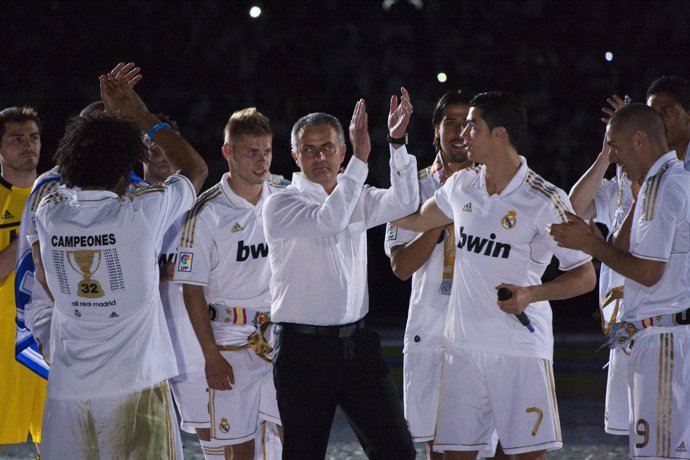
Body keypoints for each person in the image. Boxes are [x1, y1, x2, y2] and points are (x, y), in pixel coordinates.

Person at [394, 91, 596, 459]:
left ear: (499, 134)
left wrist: (530, 295)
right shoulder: (460, 186)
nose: (463, 134)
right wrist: (350, 205)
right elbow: (413, 218)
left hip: (518, 353)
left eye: (472, 125)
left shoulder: (545, 200)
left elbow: (585, 276)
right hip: (462, 352)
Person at [28, 62, 208, 459]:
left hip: (68, 388)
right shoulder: (141, 212)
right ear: (130, 159)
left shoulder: (49, 210)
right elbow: (195, 168)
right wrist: (140, 116)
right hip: (136, 386)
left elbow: (42, 273)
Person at [263, 89, 419, 459]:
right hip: (303, 352)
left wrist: (396, 143)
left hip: (357, 346)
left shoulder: (357, 197)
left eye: (328, 147)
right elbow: (329, 220)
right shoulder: (280, 203)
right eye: (310, 150)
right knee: (304, 453)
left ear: (342, 150)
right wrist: (361, 162)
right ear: (295, 157)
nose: (320, 157)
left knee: (398, 451)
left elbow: (406, 201)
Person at [550, 103, 690, 460]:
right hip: (659, 337)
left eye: (617, 147)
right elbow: (618, 246)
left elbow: (647, 272)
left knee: (655, 455)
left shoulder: (663, 189)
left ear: (640, 140)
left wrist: (589, 243)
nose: (614, 156)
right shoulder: (661, 184)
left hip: (664, 341)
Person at [173, 107, 283, 459]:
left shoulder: (285, 194)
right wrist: (211, 357)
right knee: (239, 449)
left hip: (281, 339)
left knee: (295, 439)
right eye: (251, 151)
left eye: (266, 151)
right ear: (228, 152)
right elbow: (191, 290)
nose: (261, 160)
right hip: (230, 345)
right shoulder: (206, 213)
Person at [0, 106, 46, 458]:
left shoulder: (58, 196)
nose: (28, 145)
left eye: (33, 137)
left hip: (51, 341)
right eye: (17, 138)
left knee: (61, 444)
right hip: (3, 347)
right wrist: (29, 235)